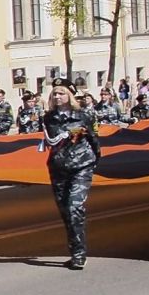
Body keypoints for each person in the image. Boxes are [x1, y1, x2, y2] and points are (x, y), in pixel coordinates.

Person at [40, 78, 98, 270]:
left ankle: (79, 254)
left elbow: (94, 139)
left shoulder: (84, 115)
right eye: (54, 93)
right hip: (58, 168)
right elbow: (51, 141)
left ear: (70, 95)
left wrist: (94, 160)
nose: (57, 96)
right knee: (66, 211)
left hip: (81, 166)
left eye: (61, 92)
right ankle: (75, 248)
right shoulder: (48, 118)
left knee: (75, 207)